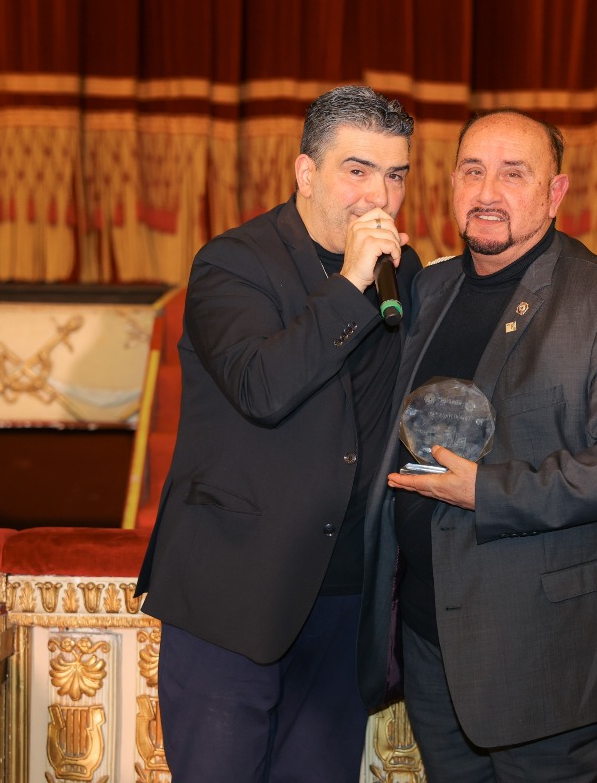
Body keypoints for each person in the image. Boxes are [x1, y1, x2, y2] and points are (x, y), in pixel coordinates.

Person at [357, 110, 597, 782]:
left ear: (555, 193)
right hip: (433, 647)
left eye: (514, 174)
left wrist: (488, 491)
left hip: (553, 661)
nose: (487, 193)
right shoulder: (430, 288)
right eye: (473, 171)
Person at [135, 85, 421, 781]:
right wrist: (351, 281)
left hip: (344, 592)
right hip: (235, 590)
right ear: (306, 172)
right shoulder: (233, 264)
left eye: (396, 175)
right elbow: (263, 387)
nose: (378, 195)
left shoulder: (402, 271)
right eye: (358, 171)